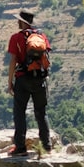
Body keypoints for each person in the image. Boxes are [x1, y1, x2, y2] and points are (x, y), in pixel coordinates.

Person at [6, 9, 51, 156]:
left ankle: (20, 147)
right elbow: (46, 55)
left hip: (23, 79)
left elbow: (13, 61)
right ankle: (46, 147)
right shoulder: (41, 36)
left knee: (19, 112)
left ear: (22, 22)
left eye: (18, 20)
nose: (17, 22)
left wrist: (10, 82)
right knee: (41, 112)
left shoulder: (16, 38)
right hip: (39, 79)